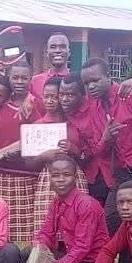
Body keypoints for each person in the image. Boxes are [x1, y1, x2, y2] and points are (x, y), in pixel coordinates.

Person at [76, 58, 132, 236]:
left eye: (95, 80)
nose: (91, 87)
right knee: (110, 222)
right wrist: (105, 138)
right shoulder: (94, 107)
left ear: (108, 76)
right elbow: (98, 150)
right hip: (121, 172)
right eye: (86, 83)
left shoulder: (130, 95)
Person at [22, 154, 108, 263]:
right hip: (73, 258)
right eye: (55, 175)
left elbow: (80, 250)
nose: (60, 179)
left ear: (75, 177)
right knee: (27, 252)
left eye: (66, 175)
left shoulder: (86, 205)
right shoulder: (57, 201)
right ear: (50, 178)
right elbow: (46, 233)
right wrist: (37, 251)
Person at [0, 60, 48, 242]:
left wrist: (32, 116)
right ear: (9, 78)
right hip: (1, 173)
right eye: (15, 77)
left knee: (29, 231)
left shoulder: (39, 104)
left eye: (24, 78)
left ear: (31, 79)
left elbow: (43, 136)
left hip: (27, 175)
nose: (20, 81)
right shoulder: (0, 105)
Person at [30, 76, 89, 219]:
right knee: (48, 224)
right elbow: (29, 163)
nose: (49, 101)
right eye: (46, 96)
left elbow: (88, 157)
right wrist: (43, 156)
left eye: (55, 97)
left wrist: (74, 150)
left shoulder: (76, 124)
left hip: (75, 178)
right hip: (48, 181)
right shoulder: (37, 126)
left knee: (77, 221)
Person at [59, 73, 112, 204]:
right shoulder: (60, 113)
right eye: (61, 94)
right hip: (80, 177)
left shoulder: (96, 108)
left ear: (83, 95)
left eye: (70, 95)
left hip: (104, 172)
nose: (64, 99)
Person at [28, 33, 71, 100]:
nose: (58, 51)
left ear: (69, 53)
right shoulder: (34, 81)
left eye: (62, 47)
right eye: (53, 47)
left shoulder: (77, 82)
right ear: (47, 53)